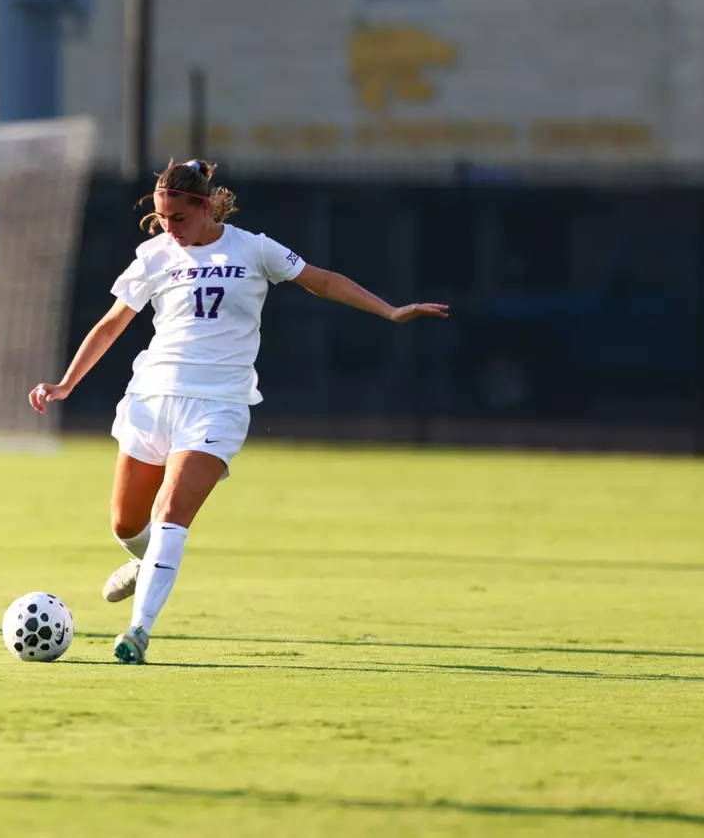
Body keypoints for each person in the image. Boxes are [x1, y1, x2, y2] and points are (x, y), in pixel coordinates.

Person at [29, 160, 448, 665]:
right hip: (151, 399)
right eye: (161, 218)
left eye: (178, 218)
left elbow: (325, 281)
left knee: (170, 515)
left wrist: (391, 310)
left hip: (218, 407)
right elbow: (112, 323)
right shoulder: (153, 256)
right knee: (126, 525)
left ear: (204, 207)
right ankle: (150, 564)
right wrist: (67, 382)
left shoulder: (253, 248)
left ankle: (138, 631)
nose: (169, 228)